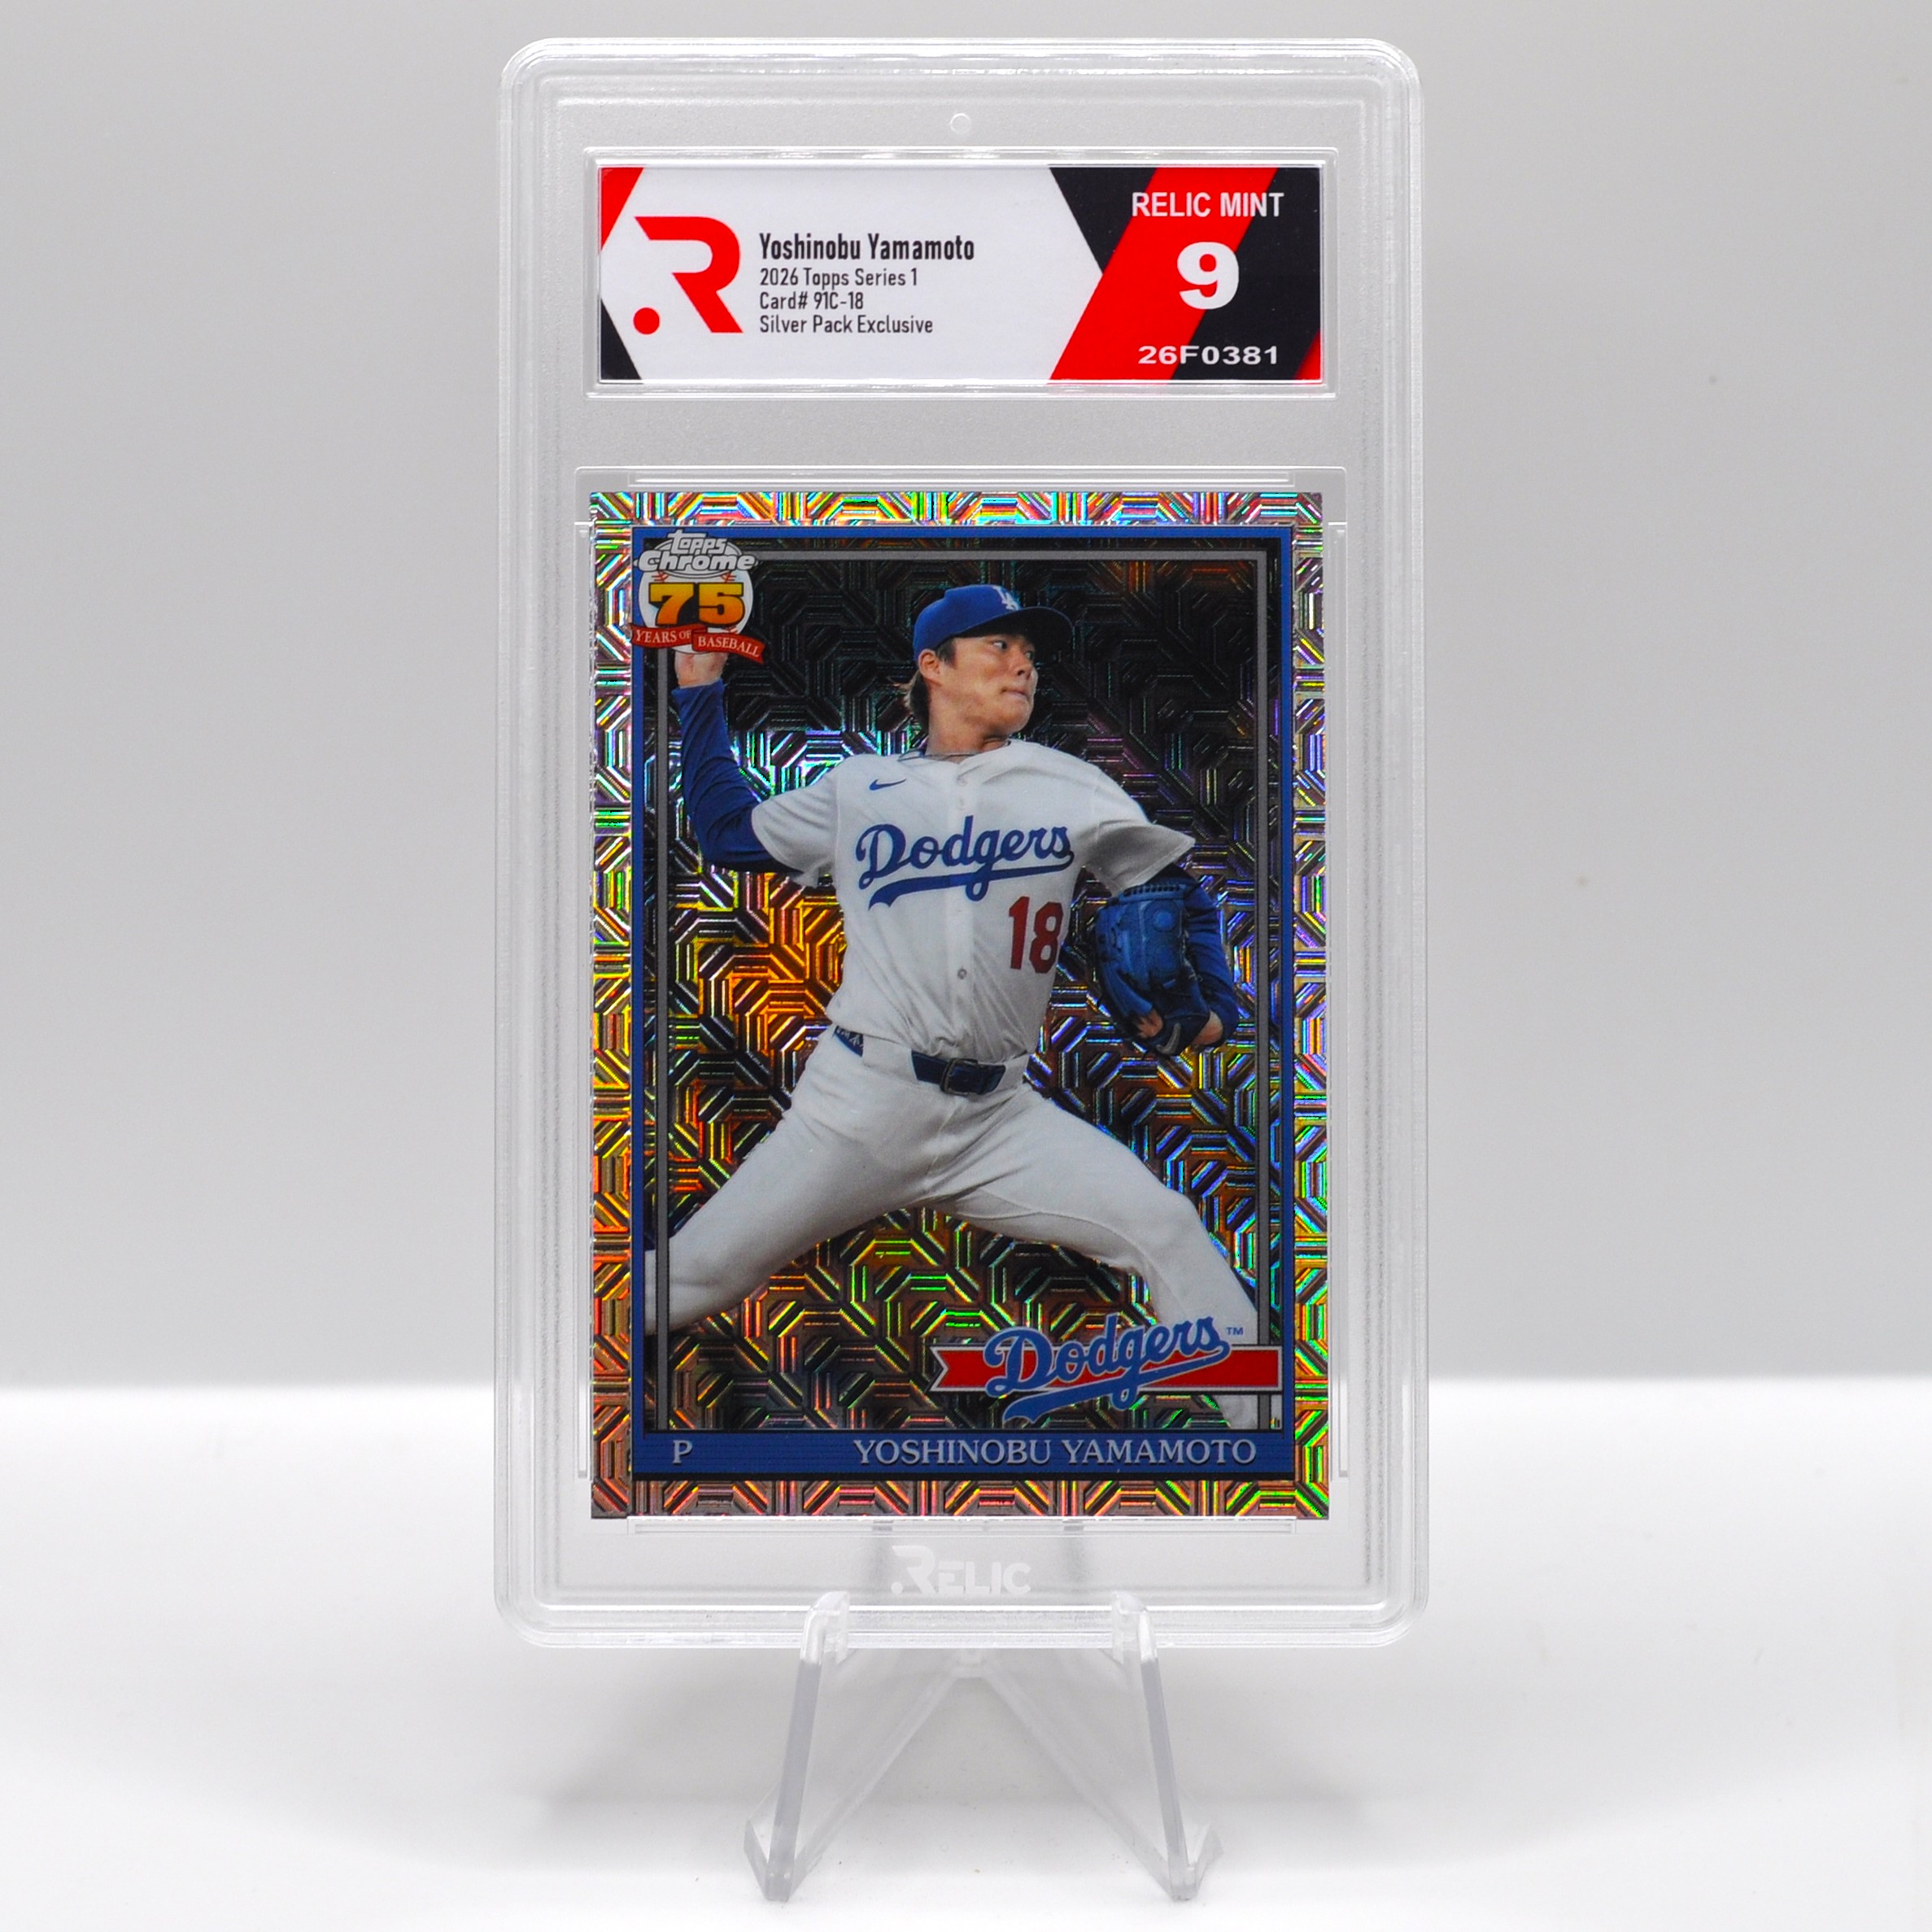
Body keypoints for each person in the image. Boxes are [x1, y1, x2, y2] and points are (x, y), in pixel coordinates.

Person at [648, 582, 1258, 1426]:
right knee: (693, 1275)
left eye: (1029, 653)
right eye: (998, 646)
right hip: (859, 1106)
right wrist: (699, 690)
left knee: (1167, 1225)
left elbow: (1174, 892)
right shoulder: (861, 786)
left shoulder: (1071, 786)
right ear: (932, 666)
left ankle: (1259, 1445)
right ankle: (571, 1371)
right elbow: (726, 831)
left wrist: (1215, 1007)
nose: (1022, 665)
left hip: (999, 1119)